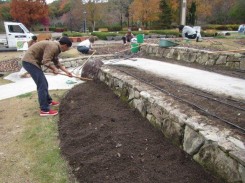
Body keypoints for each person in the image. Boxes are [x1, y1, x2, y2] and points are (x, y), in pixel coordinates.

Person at [21, 37, 73, 116]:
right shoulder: (53, 46)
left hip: (33, 62)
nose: (67, 50)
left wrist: (67, 72)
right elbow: (46, 61)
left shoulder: (56, 48)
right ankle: (44, 110)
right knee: (42, 85)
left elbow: (57, 62)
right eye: (68, 48)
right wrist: (54, 69)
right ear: (65, 45)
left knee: (44, 83)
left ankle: (48, 101)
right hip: (29, 62)